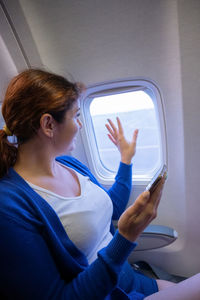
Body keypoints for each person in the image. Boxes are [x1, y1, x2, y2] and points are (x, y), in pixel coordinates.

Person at [0, 69, 199, 300]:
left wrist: (125, 159)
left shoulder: (69, 165)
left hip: (126, 279)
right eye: (76, 116)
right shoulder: (9, 207)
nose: (80, 124)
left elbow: (112, 207)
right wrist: (125, 238)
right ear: (48, 125)